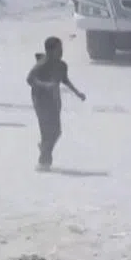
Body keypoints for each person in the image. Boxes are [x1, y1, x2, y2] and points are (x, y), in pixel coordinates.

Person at [26, 36, 85, 170]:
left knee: (56, 131)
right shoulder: (41, 65)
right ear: (49, 51)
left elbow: (65, 80)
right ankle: (43, 161)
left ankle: (44, 149)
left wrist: (77, 93)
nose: (61, 51)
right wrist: (46, 85)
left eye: (61, 48)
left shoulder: (62, 65)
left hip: (54, 100)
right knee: (47, 132)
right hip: (40, 100)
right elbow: (30, 79)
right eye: (58, 49)